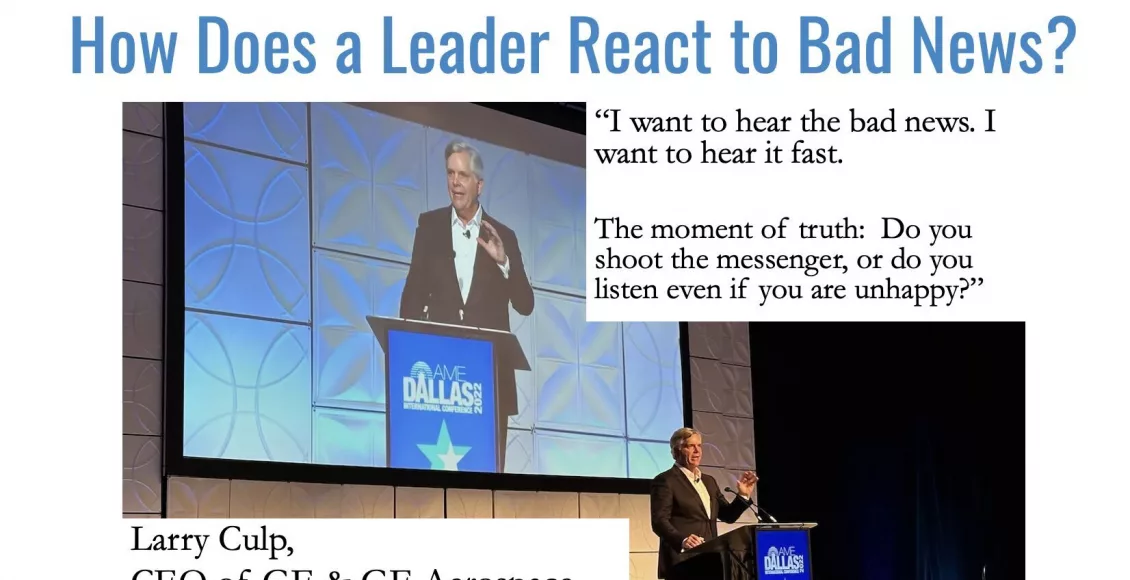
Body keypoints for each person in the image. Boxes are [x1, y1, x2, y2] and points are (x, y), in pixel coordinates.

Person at [399, 139, 535, 472]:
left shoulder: (503, 235)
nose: (455, 182)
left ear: (479, 185)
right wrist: (410, 349)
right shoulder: (429, 227)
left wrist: (505, 263)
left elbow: (525, 304)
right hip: (438, 378)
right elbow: (412, 297)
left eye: (463, 175)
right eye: (450, 173)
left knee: (486, 478)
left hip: (488, 379)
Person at [650, 427, 759, 579]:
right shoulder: (666, 481)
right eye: (690, 446)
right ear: (676, 451)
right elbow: (659, 521)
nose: (697, 451)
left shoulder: (709, 481)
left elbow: (728, 515)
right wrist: (683, 540)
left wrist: (743, 495)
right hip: (681, 562)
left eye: (699, 446)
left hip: (709, 561)